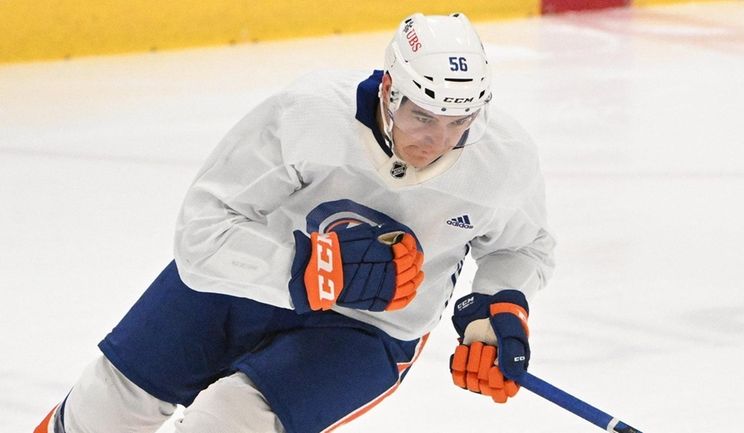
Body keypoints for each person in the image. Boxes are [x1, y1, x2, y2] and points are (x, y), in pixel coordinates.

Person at [35, 12, 555, 433]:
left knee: (227, 423)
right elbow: (203, 228)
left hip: (367, 331)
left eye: (457, 122)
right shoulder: (307, 115)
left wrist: (495, 313)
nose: (436, 141)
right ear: (390, 90)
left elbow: (522, 247)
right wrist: (314, 268)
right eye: (422, 115)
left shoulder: (501, 160)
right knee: (103, 412)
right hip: (240, 286)